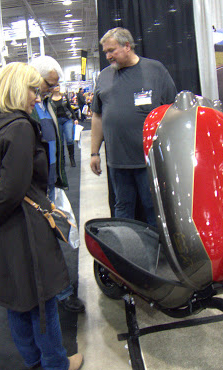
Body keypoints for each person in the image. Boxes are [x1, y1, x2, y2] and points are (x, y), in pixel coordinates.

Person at [0, 62, 83, 370]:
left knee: (15, 298)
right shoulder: (19, 126)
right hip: (25, 226)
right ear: (19, 88)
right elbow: (13, 188)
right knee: (42, 300)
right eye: (33, 89)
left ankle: (31, 357)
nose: (37, 96)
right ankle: (57, 365)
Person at [90, 27, 177, 227]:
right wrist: (94, 152)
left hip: (149, 160)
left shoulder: (155, 71)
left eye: (112, 50)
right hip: (117, 162)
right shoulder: (104, 76)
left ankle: (156, 254)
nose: (108, 56)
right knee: (122, 209)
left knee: (151, 208)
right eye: (105, 52)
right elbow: (97, 116)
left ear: (127, 46)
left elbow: (172, 110)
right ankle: (127, 254)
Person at [30, 55, 85, 314]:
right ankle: (59, 293)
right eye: (49, 83)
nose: (53, 89)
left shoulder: (43, 104)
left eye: (54, 85)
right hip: (35, 188)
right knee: (47, 240)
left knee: (52, 237)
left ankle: (56, 290)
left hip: (49, 181)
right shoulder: (26, 106)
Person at [50, 85, 78, 167]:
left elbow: (69, 107)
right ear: (51, 88)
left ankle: (72, 158)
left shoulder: (64, 96)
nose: (57, 87)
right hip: (57, 121)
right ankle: (62, 159)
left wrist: (75, 118)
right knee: (60, 141)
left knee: (69, 139)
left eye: (58, 85)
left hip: (67, 119)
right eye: (55, 86)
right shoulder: (49, 99)